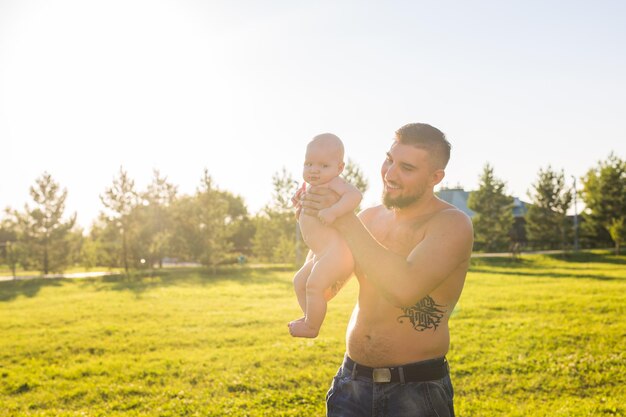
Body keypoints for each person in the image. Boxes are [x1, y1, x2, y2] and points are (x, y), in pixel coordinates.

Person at [300, 123, 473, 416]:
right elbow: (325, 289)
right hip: (351, 383)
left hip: (415, 392)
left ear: (435, 177)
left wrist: (343, 219)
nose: (390, 174)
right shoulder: (367, 218)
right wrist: (312, 220)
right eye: (389, 160)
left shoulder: (452, 224)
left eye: (406, 167)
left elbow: (403, 289)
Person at [288, 133, 362, 338]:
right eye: (309, 163)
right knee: (299, 282)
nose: (314, 170)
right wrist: (299, 205)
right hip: (322, 253)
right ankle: (308, 316)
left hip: (336, 252)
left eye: (323, 166)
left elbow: (355, 196)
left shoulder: (334, 184)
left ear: (339, 168)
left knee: (313, 286)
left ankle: (312, 326)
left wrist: (334, 211)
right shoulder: (310, 188)